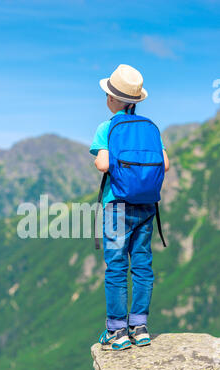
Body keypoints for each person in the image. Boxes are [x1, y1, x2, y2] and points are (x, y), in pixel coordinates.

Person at [90, 64, 169, 350]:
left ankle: (117, 331)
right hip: (146, 206)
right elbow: (166, 164)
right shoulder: (150, 128)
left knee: (116, 267)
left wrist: (111, 162)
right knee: (143, 266)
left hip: (117, 207)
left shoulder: (107, 127)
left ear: (112, 99)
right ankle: (140, 327)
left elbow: (102, 163)